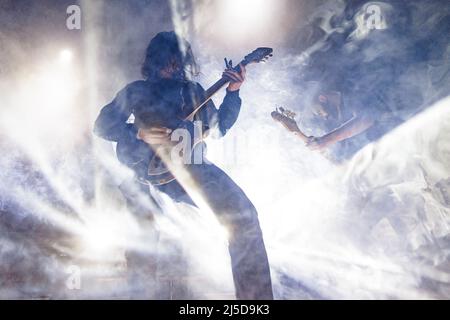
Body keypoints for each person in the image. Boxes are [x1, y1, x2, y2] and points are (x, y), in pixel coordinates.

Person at [93, 31, 273, 300]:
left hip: (192, 168)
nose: (172, 68)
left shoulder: (193, 91)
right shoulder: (135, 90)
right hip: (145, 175)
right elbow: (102, 126)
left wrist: (233, 93)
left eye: (177, 62)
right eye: (166, 62)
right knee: (143, 239)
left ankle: (255, 301)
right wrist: (137, 132)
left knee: (244, 216)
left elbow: (218, 128)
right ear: (154, 62)